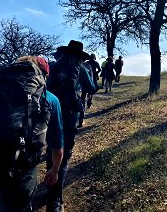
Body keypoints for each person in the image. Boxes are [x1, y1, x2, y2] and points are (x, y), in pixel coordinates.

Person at [0, 56, 64, 212]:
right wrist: (54, 169)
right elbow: (57, 147)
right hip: (20, 173)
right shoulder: (50, 99)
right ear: (44, 76)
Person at [46, 40, 97, 212]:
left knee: (51, 149)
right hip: (69, 116)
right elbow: (92, 88)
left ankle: (50, 183)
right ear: (80, 56)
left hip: (49, 112)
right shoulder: (81, 69)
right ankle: (55, 200)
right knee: (63, 154)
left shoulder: (53, 66)